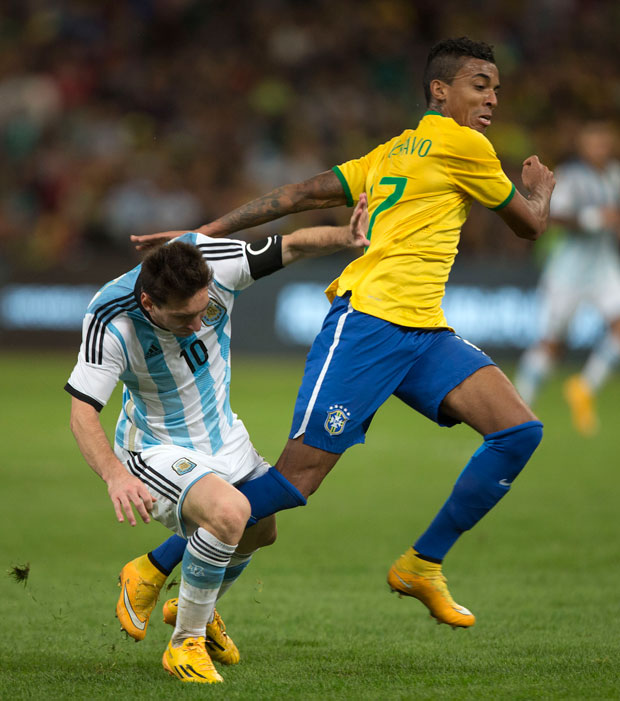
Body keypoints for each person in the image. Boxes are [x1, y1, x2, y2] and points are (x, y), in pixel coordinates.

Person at [133, 37, 555, 629]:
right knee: (295, 480)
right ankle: (154, 566)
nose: (491, 99)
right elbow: (530, 226)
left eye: (496, 90)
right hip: (371, 324)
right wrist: (540, 189)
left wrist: (205, 230)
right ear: (440, 90)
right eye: (480, 85)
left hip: (424, 332)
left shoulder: (390, 154)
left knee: (517, 431)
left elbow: (301, 194)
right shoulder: (466, 144)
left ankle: (422, 564)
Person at [67, 203, 369, 683]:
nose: (197, 324)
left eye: (202, 309)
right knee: (229, 514)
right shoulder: (111, 318)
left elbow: (289, 245)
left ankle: (179, 596)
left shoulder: (213, 261)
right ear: (149, 304)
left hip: (224, 435)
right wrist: (114, 474)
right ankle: (185, 641)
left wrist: (345, 236)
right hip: (155, 446)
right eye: (183, 318)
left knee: (260, 529)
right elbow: (82, 410)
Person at [514, 120, 620, 436]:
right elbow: (554, 216)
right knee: (551, 344)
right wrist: (592, 218)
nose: (600, 148)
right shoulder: (571, 177)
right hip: (568, 273)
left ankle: (584, 387)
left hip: (603, 268)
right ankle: (519, 407)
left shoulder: (615, 174)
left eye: (605, 142)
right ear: (583, 146)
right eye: (594, 142)